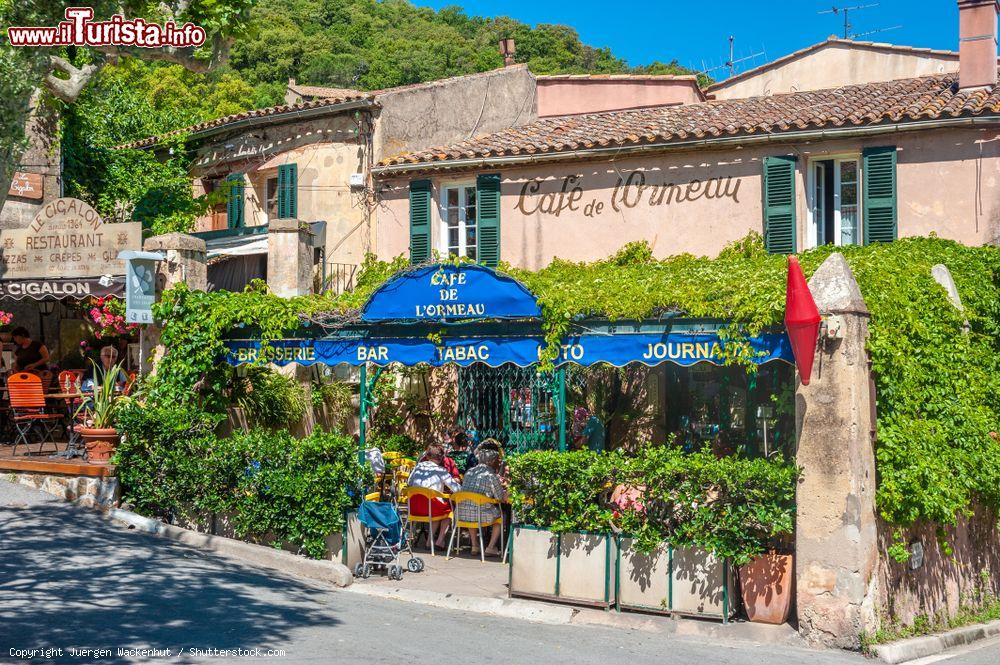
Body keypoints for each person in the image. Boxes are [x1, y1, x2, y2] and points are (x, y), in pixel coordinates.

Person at [454, 444, 508, 557]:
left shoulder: (469, 472)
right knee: (501, 517)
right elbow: (499, 498)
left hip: (461, 513)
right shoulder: (490, 475)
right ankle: (491, 547)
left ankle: (475, 545)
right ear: (492, 461)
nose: (498, 463)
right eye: (497, 461)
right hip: (481, 515)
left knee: (470, 507)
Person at [407, 443, 460, 550]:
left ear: (426, 456)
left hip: (414, 508)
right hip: (432, 508)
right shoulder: (441, 471)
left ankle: (429, 542)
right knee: (448, 511)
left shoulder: (418, 467)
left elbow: (409, 482)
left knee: (436, 507)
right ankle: (439, 541)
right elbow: (457, 489)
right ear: (441, 457)